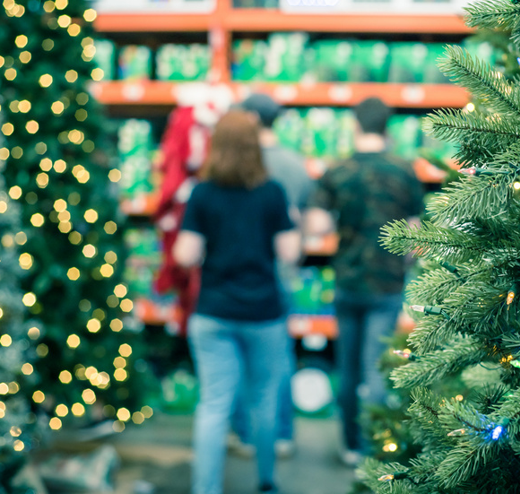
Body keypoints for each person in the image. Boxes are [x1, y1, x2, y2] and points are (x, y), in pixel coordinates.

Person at [173, 111, 300, 494]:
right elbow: (289, 252)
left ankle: (205, 488)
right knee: (263, 403)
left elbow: (185, 254)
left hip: (213, 312)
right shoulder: (272, 193)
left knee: (213, 406)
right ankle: (266, 480)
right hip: (263, 313)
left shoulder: (202, 193)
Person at [303, 97, 425, 466]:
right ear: (387, 127)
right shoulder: (405, 171)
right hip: (386, 285)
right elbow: (416, 236)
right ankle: (372, 453)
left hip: (347, 281)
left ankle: (350, 445)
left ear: (355, 125)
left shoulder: (337, 170)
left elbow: (316, 226)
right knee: (375, 370)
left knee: (348, 367)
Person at [227, 93, 314, 459]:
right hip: (282, 273)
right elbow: (307, 226)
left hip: (239, 274)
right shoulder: (296, 166)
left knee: (237, 356)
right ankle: (281, 434)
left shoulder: (236, 165)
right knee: (278, 356)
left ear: (249, 118)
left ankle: (245, 434)